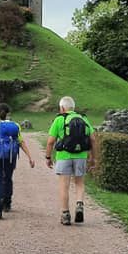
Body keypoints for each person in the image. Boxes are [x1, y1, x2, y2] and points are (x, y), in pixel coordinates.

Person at [45, 96, 95, 226]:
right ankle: (79, 203)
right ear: (73, 107)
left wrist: (48, 157)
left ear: (62, 108)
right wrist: (93, 158)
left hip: (63, 156)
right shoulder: (83, 119)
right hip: (81, 156)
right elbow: (93, 139)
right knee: (79, 183)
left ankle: (65, 214)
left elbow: (50, 141)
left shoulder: (59, 119)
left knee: (64, 186)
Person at [0, 103, 35, 219]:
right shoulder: (15, 125)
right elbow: (20, 142)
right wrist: (30, 157)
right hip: (10, 156)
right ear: (8, 113)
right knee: (7, 178)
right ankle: (7, 203)